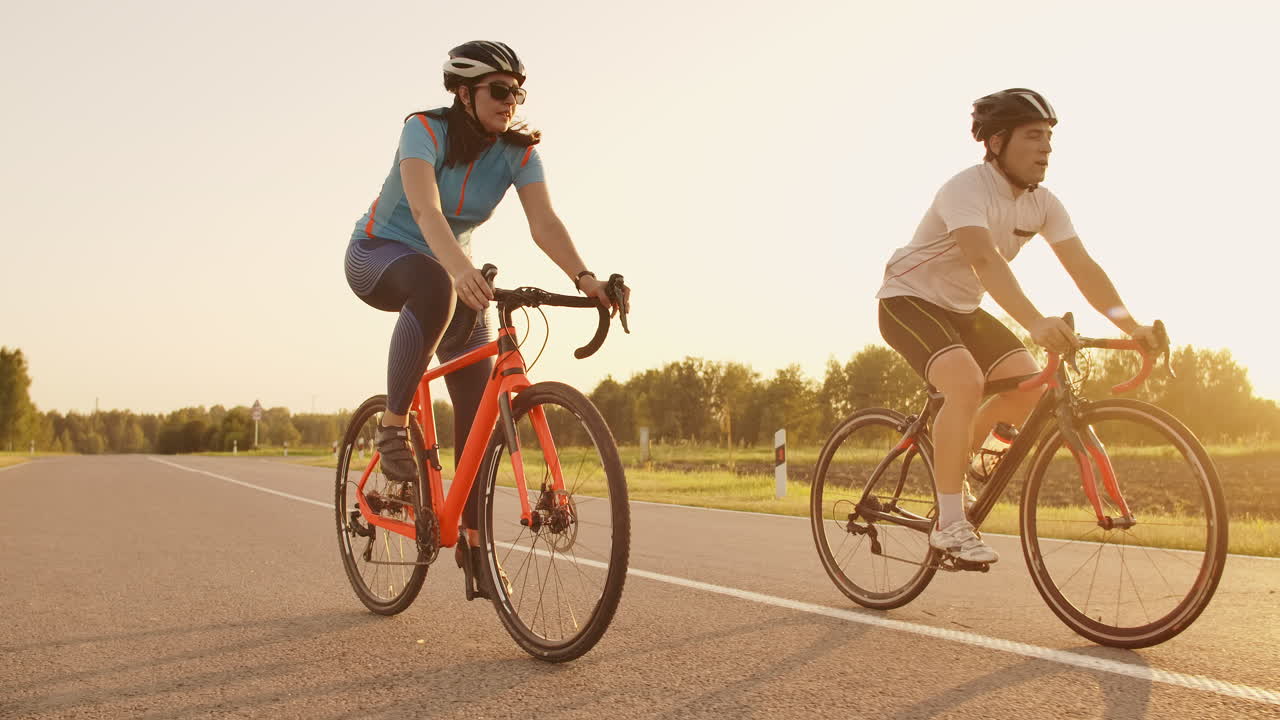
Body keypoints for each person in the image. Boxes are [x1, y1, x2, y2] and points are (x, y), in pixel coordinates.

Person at [344, 40, 627, 596]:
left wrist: (586, 279)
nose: (511, 102)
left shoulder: (519, 153)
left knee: (477, 416)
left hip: (452, 272)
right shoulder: (423, 130)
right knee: (433, 287)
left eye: (518, 92)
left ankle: (473, 542)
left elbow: (544, 223)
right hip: (380, 254)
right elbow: (425, 209)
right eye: (500, 90)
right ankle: (393, 427)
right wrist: (456, 270)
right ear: (464, 92)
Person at [874, 88, 1159, 564]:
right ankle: (949, 524)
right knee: (964, 382)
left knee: (1027, 386)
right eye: (1034, 136)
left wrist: (1131, 326)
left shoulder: (1043, 204)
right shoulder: (965, 189)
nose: (1046, 147)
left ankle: (958, 467)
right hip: (909, 300)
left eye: (1049, 137)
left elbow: (1084, 267)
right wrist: (1034, 321)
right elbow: (984, 259)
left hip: (963, 310)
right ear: (998, 141)